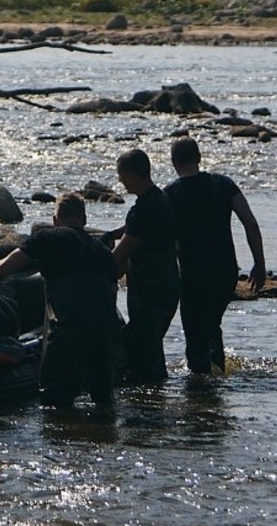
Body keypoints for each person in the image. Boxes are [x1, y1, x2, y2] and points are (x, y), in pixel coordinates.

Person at [0, 193, 121, 408]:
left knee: (55, 405)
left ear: (55, 221)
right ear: (84, 220)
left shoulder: (47, 238)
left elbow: (2, 269)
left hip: (68, 332)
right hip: (104, 335)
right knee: (104, 404)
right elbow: (112, 292)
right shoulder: (103, 252)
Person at [164, 137, 266, 376]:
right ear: (199, 158)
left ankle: (202, 391)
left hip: (193, 273)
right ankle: (217, 375)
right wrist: (259, 264)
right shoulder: (223, 184)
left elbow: (157, 235)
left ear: (173, 162)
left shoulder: (170, 194)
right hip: (225, 270)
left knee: (196, 332)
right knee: (212, 324)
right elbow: (250, 223)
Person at [111, 149, 181, 383]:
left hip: (151, 291)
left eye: (121, 174)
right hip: (167, 285)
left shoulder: (143, 211)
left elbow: (119, 256)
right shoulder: (160, 199)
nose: (120, 180)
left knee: (147, 353)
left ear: (132, 174)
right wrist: (115, 232)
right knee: (145, 345)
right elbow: (133, 230)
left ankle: (152, 406)